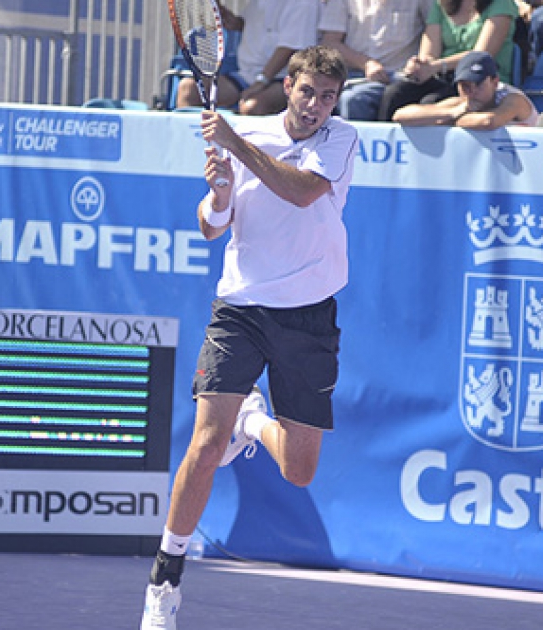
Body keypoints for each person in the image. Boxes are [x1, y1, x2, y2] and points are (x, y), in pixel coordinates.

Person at [139, 45, 357, 630]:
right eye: (308, 91)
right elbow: (212, 226)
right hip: (239, 308)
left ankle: (252, 423)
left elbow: (301, 192)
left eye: (328, 97)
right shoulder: (252, 130)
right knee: (206, 446)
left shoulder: (339, 140)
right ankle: (165, 580)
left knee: (300, 471)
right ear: (289, 85)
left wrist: (237, 145)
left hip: (307, 317)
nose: (316, 106)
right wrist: (220, 195)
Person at [378, 0, 521, 121]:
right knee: (394, 94)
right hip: (442, 77)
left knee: (431, 102)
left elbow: (480, 56)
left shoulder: (502, 4)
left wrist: (437, 66)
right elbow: (429, 53)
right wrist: (421, 65)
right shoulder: (440, 4)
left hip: (479, 80)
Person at [174, 0, 319, 115]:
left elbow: (289, 49)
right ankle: (189, 147)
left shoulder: (304, 4)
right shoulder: (256, 3)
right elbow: (248, 26)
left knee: (253, 107)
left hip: (284, 80)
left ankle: (247, 152)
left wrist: (261, 81)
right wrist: (229, 19)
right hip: (244, 77)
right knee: (189, 89)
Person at [319, 0, 432, 121]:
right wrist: (366, 64)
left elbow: (434, 29)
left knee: (353, 99)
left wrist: (421, 62)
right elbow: (330, 43)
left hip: (399, 76)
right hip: (354, 76)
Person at [393, 50, 540, 127]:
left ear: (495, 82)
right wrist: (450, 113)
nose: (472, 91)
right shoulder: (459, 105)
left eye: (479, 84)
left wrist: (449, 119)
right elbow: (400, 116)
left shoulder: (514, 99)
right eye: (465, 86)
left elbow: (489, 122)